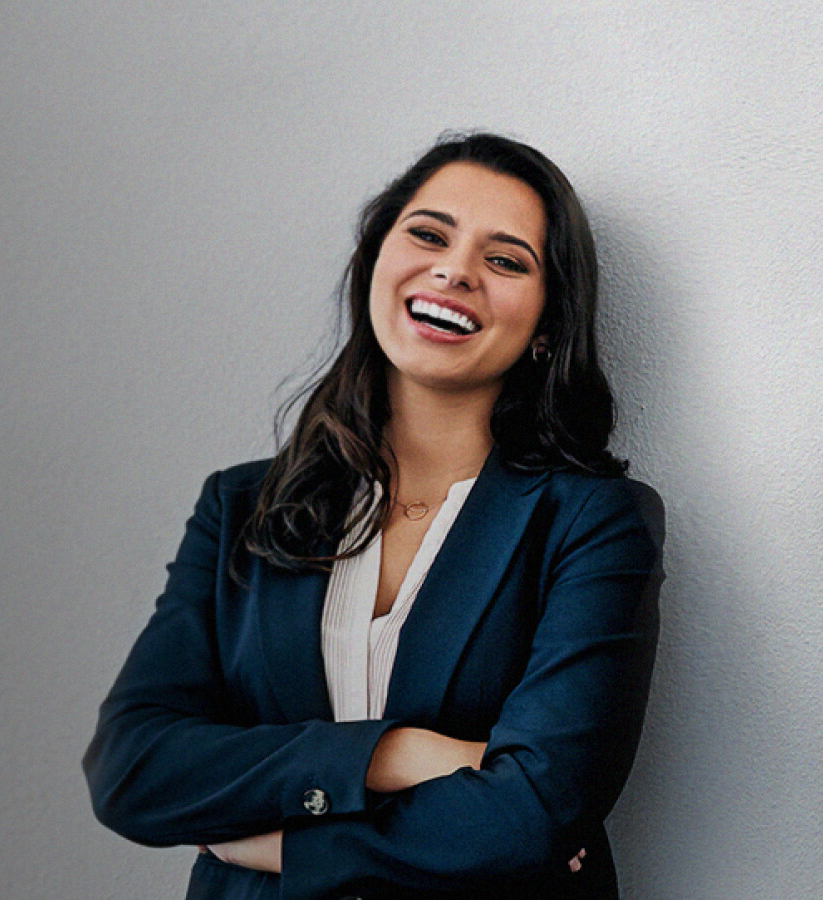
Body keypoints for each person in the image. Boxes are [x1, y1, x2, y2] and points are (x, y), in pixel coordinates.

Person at [84, 133, 660, 899]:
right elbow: (132, 767)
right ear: (375, 265)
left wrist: (270, 841)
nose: (454, 270)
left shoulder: (593, 521)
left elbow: (536, 814)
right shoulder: (240, 507)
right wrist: (394, 754)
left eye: (506, 259)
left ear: (548, 325)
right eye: (428, 235)